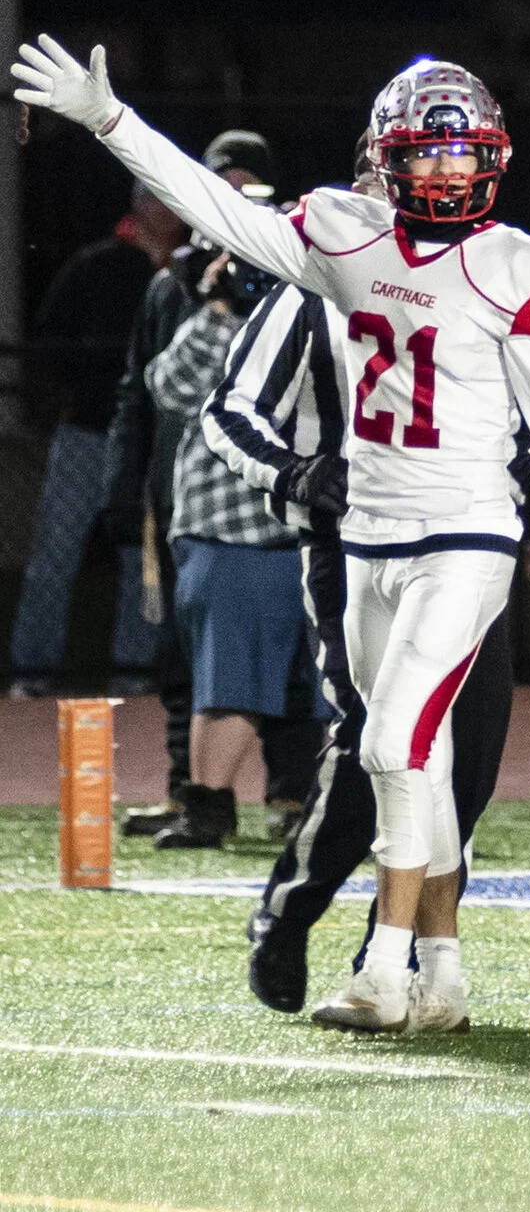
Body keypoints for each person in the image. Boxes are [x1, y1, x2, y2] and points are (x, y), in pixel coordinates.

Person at [13, 40, 530, 1037]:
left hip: (467, 531)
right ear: (387, 158)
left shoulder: (522, 267)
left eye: (459, 155)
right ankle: (446, 975)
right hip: (364, 539)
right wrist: (108, 121)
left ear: (493, 160)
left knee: (391, 741)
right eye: (423, 155)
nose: (442, 173)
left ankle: (382, 970)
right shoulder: (344, 238)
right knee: (410, 766)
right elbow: (219, 210)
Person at [206, 140, 519, 1017]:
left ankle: (398, 952)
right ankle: (293, 909)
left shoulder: (479, 270)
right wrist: (299, 475)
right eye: (409, 172)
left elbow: (521, 408)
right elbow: (229, 410)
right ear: (369, 180)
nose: (428, 191)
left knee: (472, 758)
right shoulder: (321, 274)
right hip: (356, 547)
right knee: (373, 746)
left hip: (463, 540)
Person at [105, 131, 277, 830]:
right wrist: (126, 484)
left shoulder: (291, 271)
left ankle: (292, 800)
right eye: (221, 187)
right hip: (183, 496)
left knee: (282, 672)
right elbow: (144, 392)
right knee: (183, 665)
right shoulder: (174, 280)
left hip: (267, 503)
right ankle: (190, 794)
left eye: (249, 189)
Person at [141, 244, 304, 850]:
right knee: (224, 677)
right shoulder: (229, 322)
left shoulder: (301, 321)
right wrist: (219, 304)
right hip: (227, 526)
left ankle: (213, 808)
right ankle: (209, 804)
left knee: (248, 679)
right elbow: (167, 385)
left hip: (262, 527)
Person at [8, 186, 182, 697]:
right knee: (54, 556)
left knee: (143, 564)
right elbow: (49, 333)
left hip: (153, 438)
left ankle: (135, 675)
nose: (163, 205)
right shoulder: (98, 263)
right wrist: (86, 382)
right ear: (136, 201)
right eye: (153, 195)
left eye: (169, 196)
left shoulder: (191, 269)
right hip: (88, 428)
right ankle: (31, 673)